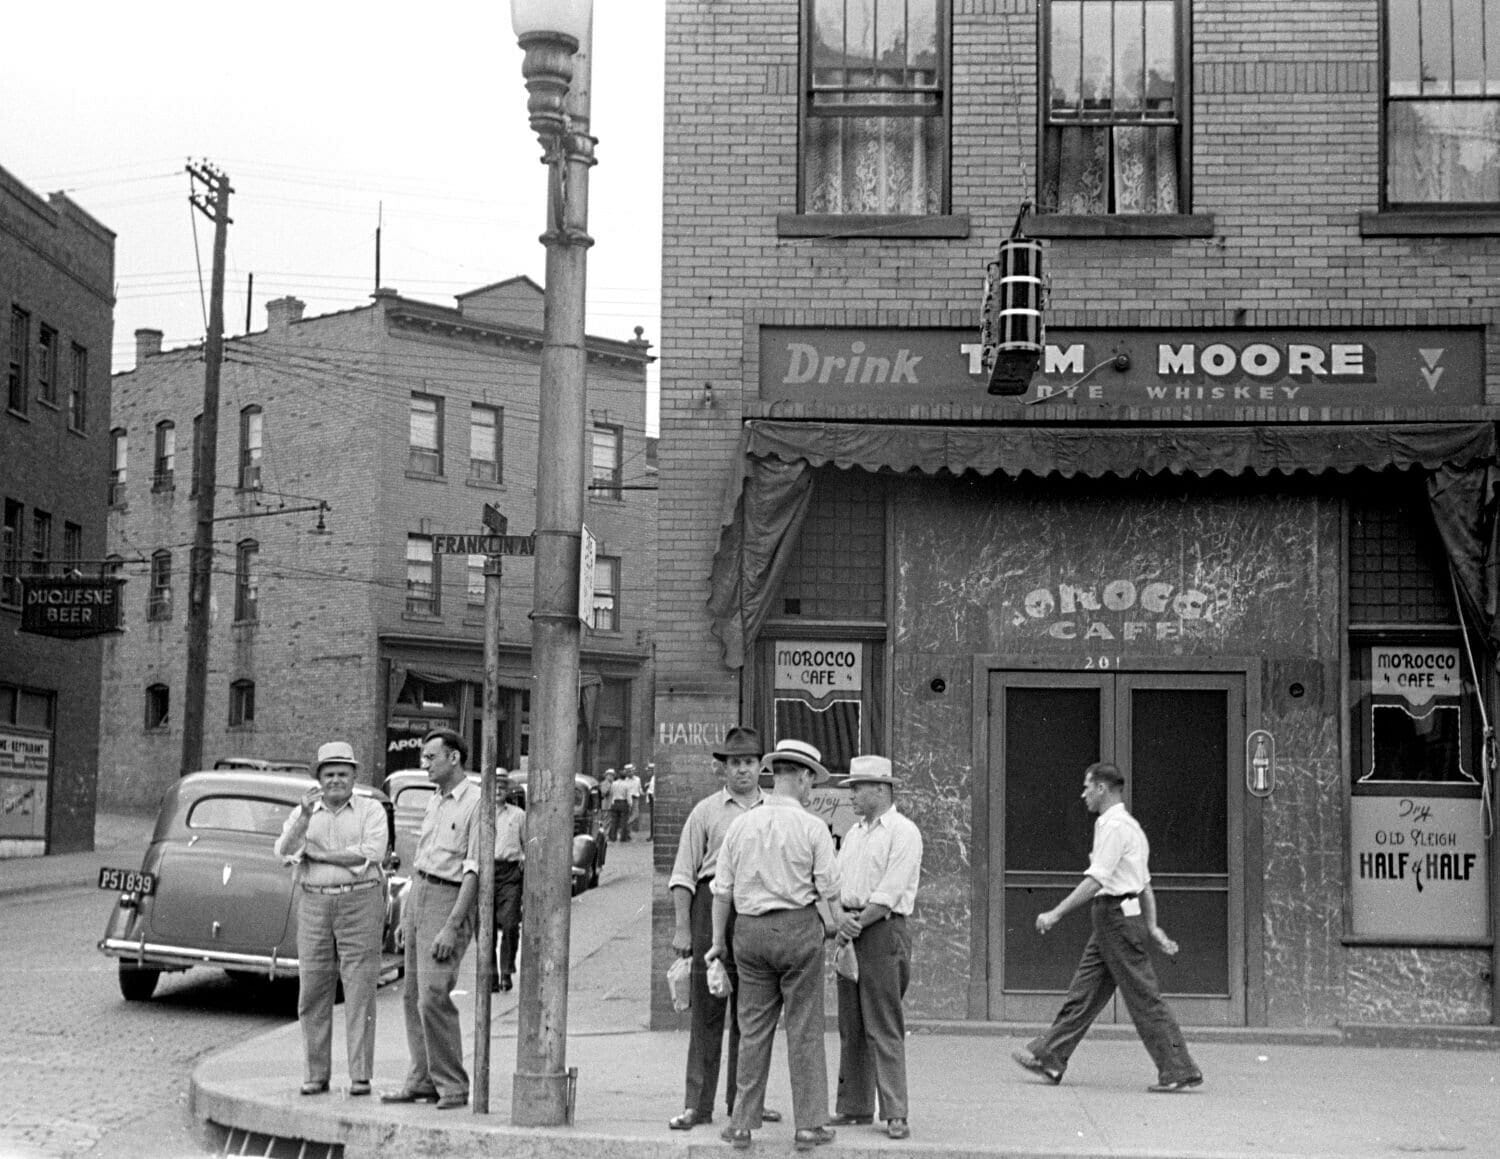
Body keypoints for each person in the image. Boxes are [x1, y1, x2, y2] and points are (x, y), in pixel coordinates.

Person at [1012, 761, 1203, 1094]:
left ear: (1102, 788)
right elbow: (1144, 885)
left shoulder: (1113, 827)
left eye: (1087, 787)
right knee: (1085, 991)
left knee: (1143, 996)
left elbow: (1096, 880)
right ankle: (1051, 1056)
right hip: (1119, 917)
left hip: (1115, 917)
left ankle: (1178, 1068)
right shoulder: (1130, 827)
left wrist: (1056, 912)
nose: (1083, 794)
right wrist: (1153, 926)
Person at [709, 739, 845, 1152]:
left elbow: (722, 891)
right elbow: (830, 892)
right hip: (799, 931)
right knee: (804, 1029)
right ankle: (808, 1126)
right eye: (811, 783)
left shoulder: (742, 824)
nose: (810, 791)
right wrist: (836, 932)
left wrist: (718, 945)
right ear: (802, 777)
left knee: (752, 1029)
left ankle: (741, 1124)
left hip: (748, 933)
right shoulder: (813, 827)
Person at [666, 726, 780, 1131]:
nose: (743, 770)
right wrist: (683, 929)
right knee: (708, 1011)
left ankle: (744, 1102)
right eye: (735, 763)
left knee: (752, 1013)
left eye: (750, 762)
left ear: (761, 766)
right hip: (709, 907)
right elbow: (682, 874)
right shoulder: (706, 811)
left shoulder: (775, 811)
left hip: (756, 912)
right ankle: (697, 1104)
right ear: (723, 768)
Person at [274, 741, 389, 1098]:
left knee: (360, 990)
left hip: (361, 902)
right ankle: (315, 1074)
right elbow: (284, 852)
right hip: (314, 905)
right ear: (319, 779)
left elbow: (370, 855)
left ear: (354, 776)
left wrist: (319, 854)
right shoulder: (304, 813)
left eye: (342, 773)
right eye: (329, 774)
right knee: (312, 990)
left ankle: (360, 1076)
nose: (336, 780)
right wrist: (306, 820)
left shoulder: (371, 809)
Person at [381, 728, 482, 1110]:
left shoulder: (474, 802)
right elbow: (421, 861)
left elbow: (473, 871)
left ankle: (453, 1084)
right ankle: (421, 1079)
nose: (424, 764)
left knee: (434, 996)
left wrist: (452, 925)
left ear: (453, 758)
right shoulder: (436, 800)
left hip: (449, 898)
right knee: (412, 996)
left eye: (430, 757)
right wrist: (408, 914)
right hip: (422, 892)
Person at [830, 755, 923, 1140]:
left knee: (883, 1021)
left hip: (882, 930)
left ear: (882, 789)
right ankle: (854, 1105)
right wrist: (840, 918)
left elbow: (890, 891)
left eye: (858, 787)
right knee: (851, 1021)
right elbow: (835, 882)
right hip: (852, 929)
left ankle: (895, 1111)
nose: (852, 794)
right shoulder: (854, 834)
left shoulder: (903, 832)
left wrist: (854, 922)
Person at [482, 770, 526, 994]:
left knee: (509, 924)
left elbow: (528, 844)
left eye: (502, 787)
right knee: (486, 928)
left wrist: (524, 862)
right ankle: (491, 977)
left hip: (510, 873)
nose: (498, 791)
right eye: (494, 787)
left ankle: (507, 972)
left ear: (507, 791)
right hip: (486, 872)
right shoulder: (481, 814)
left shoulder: (518, 815)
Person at [608, 766, 634, 842]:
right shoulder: (626, 785)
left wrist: (611, 803)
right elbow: (628, 795)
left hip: (615, 802)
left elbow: (611, 793)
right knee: (623, 821)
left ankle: (613, 837)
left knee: (614, 821)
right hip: (623, 803)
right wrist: (630, 804)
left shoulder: (613, 784)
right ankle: (623, 838)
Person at [622, 763, 644, 835]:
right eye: (628, 771)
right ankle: (628, 830)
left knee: (635, 814)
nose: (630, 773)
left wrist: (642, 792)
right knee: (629, 814)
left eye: (631, 771)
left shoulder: (638, 779)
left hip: (636, 798)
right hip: (628, 798)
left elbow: (639, 787)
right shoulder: (625, 780)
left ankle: (627, 825)